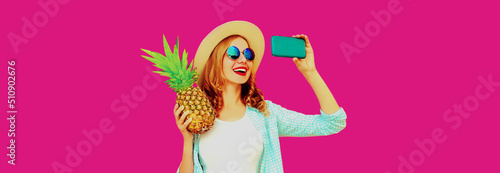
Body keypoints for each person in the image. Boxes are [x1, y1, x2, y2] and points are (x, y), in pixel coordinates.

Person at [175, 21, 347, 173]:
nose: (243, 59)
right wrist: (187, 138)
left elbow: (332, 123)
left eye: (248, 54)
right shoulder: (199, 118)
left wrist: (310, 72)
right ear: (216, 59)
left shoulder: (266, 114)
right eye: (234, 53)